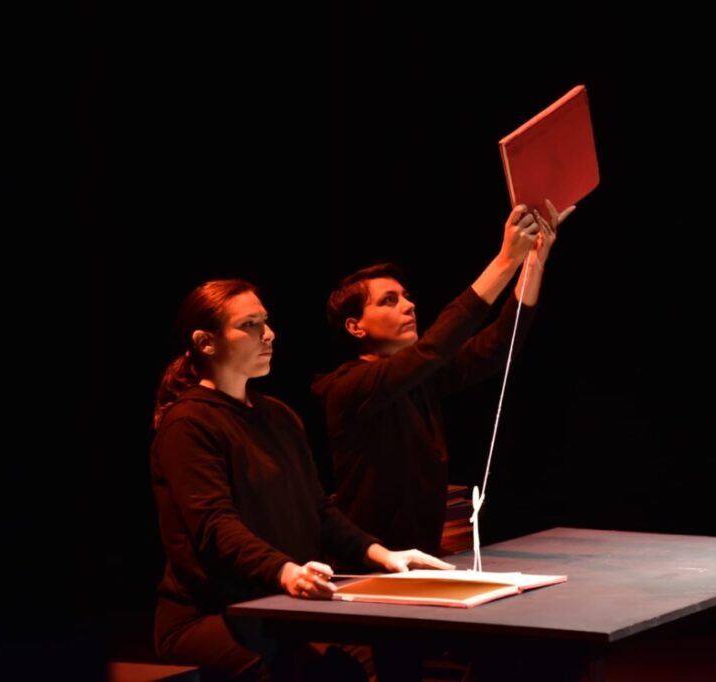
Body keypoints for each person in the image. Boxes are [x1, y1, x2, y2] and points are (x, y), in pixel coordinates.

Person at [150, 278, 453, 681]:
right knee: (316, 669)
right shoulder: (188, 424)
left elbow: (318, 510)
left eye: (266, 321)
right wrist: (285, 571)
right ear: (206, 342)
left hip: (277, 605)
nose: (268, 334)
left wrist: (382, 554)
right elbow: (214, 526)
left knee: (384, 652)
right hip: (208, 614)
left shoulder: (278, 416)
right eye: (250, 325)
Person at [313, 201, 573, 556]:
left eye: (406, 297)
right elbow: (434, 348)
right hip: (363, 567)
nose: (408, 306)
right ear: (355, 327)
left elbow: (497, 347)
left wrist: (533, 262)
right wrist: (504, 261)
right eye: (388, 301)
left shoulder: (421, 376)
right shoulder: (347, 387)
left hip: (421, 559)